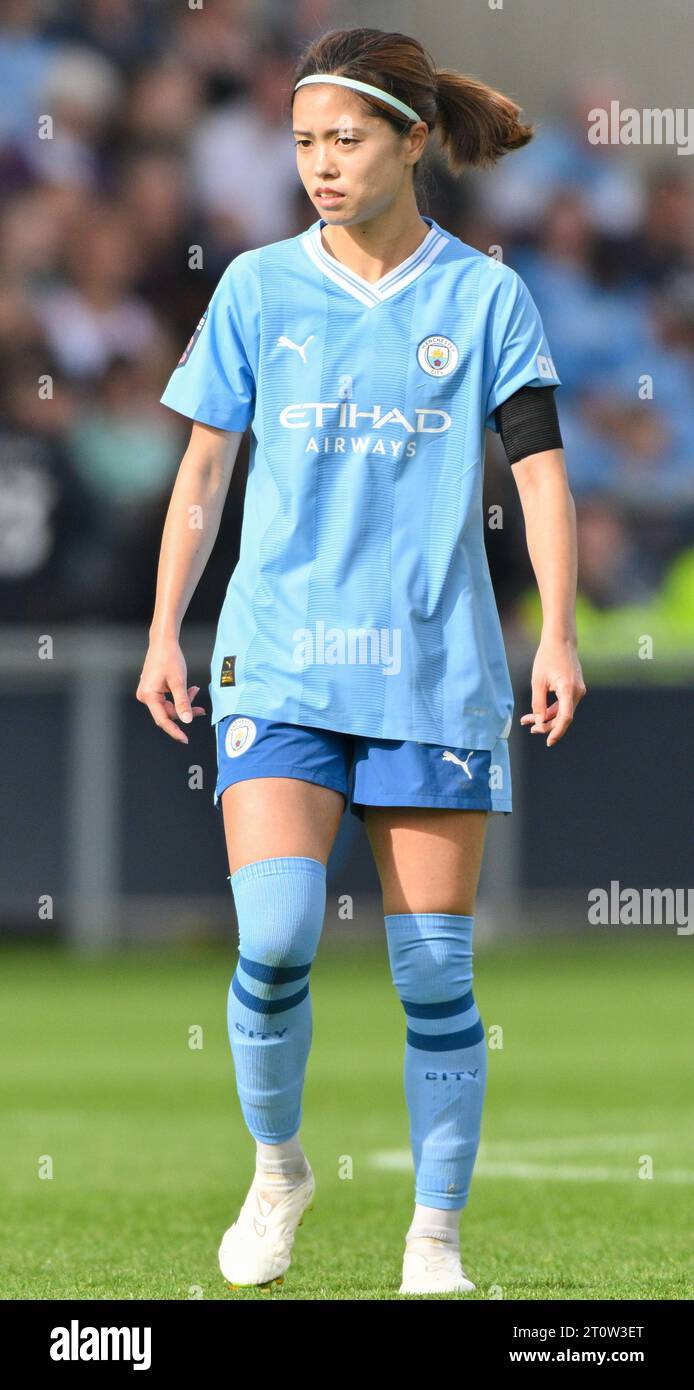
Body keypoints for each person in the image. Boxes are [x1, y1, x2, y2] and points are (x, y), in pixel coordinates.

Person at [137, 26, 587, 1297]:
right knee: (275, 936)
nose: (320, 166)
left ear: (408, 142)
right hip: (277, 659)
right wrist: (168, 622)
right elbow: (204, 472)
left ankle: (432, 1245)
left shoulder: (486, 296)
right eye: (302, 144)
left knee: (435, 973)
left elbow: (543, 478)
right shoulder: (257, 288)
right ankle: (279, 1170)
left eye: (345, 141)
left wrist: (552, 630)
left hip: (434, 671)